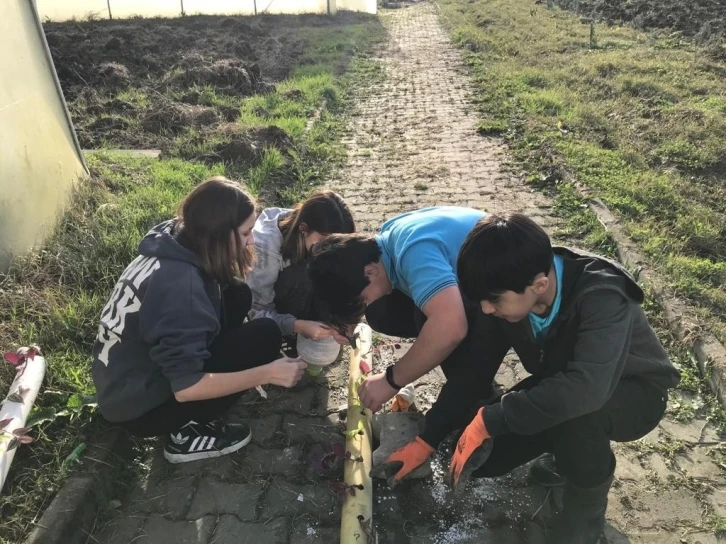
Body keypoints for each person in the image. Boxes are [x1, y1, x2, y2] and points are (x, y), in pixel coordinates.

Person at [445, 213, 680, 543]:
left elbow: (586, 389)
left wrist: (494, 417)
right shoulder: (508, 287)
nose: (485, 309)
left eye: (493, 300)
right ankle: (561, 456)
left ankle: (585, 512)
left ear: (539, 286)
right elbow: (474, 369)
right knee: (489, 459)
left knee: (578, 418)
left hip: (633, 393)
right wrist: (431, 433)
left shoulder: (603, 294)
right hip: (566, 382)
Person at [91, 177, 307, 464]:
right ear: (218, 235)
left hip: (124, 379)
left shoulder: (173, 236)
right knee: (265, 337)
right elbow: (186, 387)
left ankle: (206, 384)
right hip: (141, 408)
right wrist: (268, 373)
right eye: (245, 233)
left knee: (237, 292)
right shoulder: (182, 288)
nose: (252, 241)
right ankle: (186, 434)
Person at [308, 206, 497, 482]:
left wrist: (391, 380)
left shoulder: (413, 252)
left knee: (435, 322)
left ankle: (478, 401)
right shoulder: (384, 243)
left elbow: (451, 325)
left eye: (360, 299)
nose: (364, 305)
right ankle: (463, 379)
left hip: (505, 292)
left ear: (370, 271)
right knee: (381, 311)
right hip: (471, 283)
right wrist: (346, 319)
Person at [246, 190, 355, 350]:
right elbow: (255, 312)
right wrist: (297, 326)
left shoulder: (310, 229)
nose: (330, 253)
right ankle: (289, 338)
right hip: (271, 313)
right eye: (325, 244)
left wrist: (339, 321)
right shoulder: (265, 250)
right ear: (303, 229)